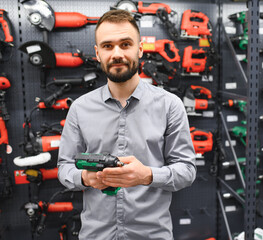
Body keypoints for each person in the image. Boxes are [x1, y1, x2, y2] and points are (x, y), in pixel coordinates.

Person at [57, 9, 197, 240]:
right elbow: (64, 168)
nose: (117, 53)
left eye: (125, 44)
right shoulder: (80, 109)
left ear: (140, 49)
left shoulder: (170, 105)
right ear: (98, 53)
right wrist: (86, 178)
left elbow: (187, 171)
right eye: (108, 46)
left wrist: (147, 175)